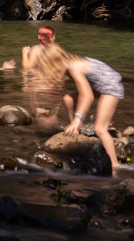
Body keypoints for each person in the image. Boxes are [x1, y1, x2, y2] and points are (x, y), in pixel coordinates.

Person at [33, 43, 123, 175]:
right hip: (101, 85)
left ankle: (114, 165)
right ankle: (76, 131)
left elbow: (87, 96)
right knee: (68, 99)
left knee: (100, 129)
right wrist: (54, 112)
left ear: (54, 63)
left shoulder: (74, 67)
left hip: (112, 88)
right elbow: (72, 93)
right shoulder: (69, 64)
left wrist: (78, 118)